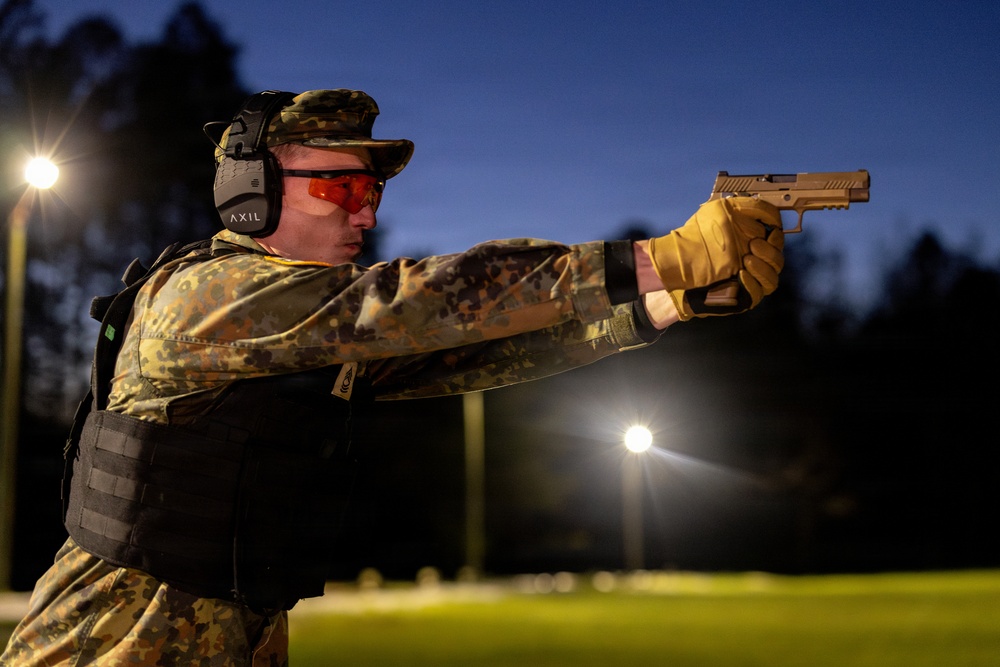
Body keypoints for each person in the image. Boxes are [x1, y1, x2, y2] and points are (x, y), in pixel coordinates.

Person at [0, 89, 784, 666]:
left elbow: (469, 349)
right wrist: (653, 258)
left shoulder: (309, 327)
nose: (364, 212)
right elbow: (417, 300)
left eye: (370, 190)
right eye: (340, 186)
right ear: (252, 188)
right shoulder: (212, 296)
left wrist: (666, 305)